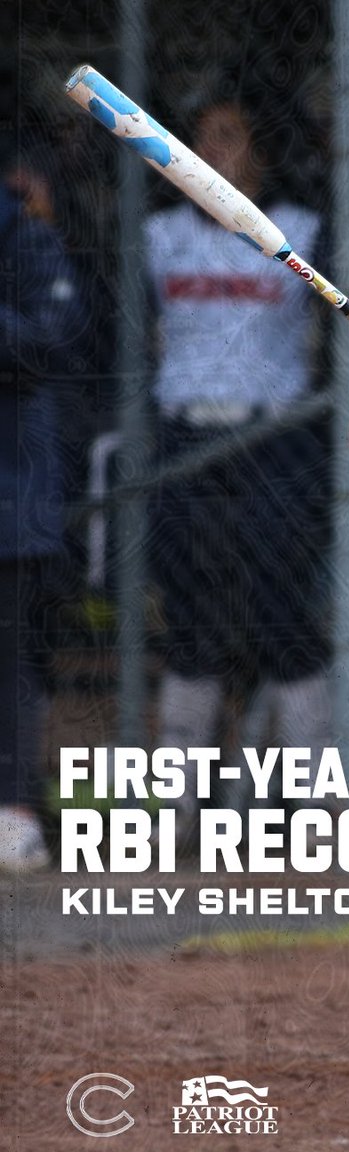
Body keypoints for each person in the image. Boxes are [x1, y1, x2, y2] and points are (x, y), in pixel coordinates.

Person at [145, 91, 332, 827]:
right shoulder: (158, 236)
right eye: (199, 141)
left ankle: (319, 801)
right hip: (185, 441)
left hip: (273, 440)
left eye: (228, 137)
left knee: (281, 614)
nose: (210, 153)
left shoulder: (301, 230)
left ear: (258, 152)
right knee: (189, 619)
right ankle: (177, 809)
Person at [0, 140, 85, 870]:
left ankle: (15, 810)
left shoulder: (22, 234)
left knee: (15, 662)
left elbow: (46, 342)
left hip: (13, 498)